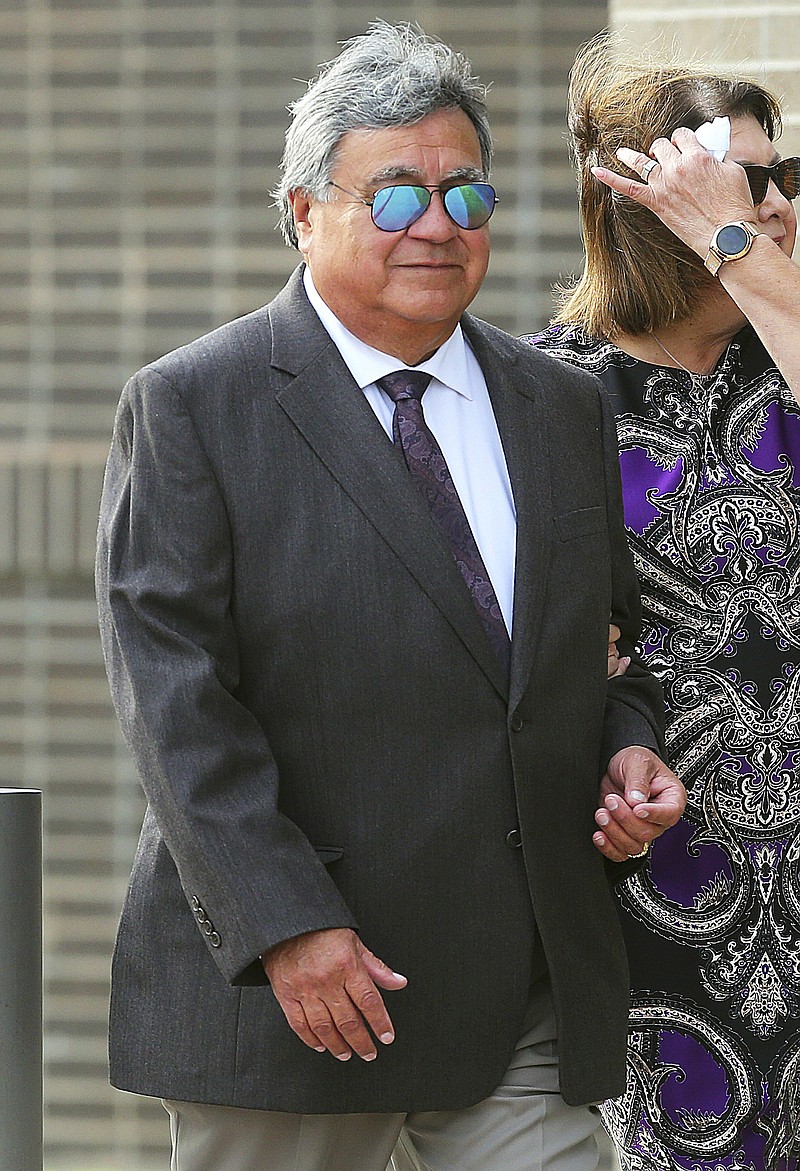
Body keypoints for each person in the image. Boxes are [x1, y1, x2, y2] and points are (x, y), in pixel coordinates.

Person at [96, 22, 685, 1171]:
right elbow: (175, 702)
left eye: (465, 195)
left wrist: (626, 746)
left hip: (517, 984)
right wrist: (286, 926)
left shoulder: (556, 405)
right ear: (303, 210)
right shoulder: (193, 407)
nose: (435, 225)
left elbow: (602, 649)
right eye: (396, 193)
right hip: (301, 994)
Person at [525, 35, 800, 1171]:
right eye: (737, 185)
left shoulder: (784, 358)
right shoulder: (541, 391)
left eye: (780, 179)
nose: (772, 206)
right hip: (665, 870)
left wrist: (741, 254)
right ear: (643, 209)